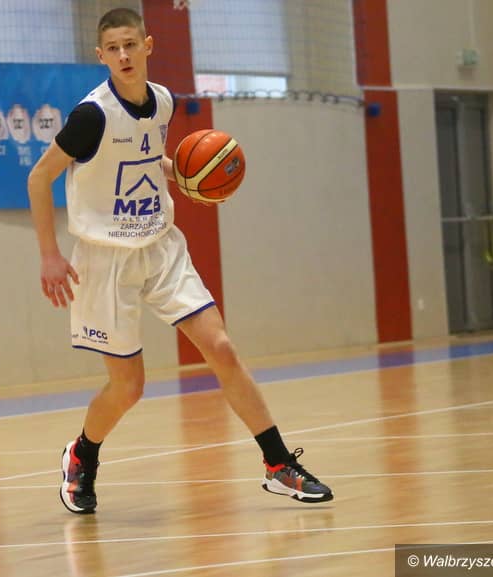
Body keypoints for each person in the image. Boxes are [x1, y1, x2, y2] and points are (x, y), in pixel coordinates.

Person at [27, 8, 333, 515]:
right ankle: (82, 455)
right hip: (106, 259)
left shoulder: (163, 101)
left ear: (147, 45)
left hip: (161, 246)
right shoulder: (92, 117)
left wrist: (188, 176)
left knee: (222, 348)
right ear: (101, 56)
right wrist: (49, 255)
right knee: (129, 388)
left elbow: (150, 160)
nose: (124, 56)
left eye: (131, 45)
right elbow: (40, 178)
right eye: (113, 49)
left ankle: (278, 464)